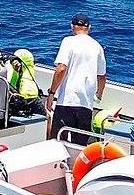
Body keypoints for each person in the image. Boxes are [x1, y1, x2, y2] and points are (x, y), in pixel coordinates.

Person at [45, 14, 106, 143]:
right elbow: (101, 76)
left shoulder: (68, 41)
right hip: (86, 106)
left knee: (57, 143)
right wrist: (98, 95)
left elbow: (61, 68)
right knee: (79, 146)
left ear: (72, 26)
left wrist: (51, 94)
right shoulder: (97, 47)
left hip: (66, 102)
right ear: (89, 27)